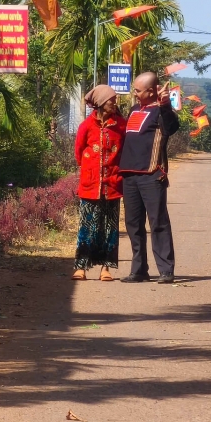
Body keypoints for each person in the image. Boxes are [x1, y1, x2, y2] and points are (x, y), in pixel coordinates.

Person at [119, 71, 179, 283]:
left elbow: (172, 127)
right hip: (129, 175)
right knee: (133, 224)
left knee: (158, 222)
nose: (135, 94)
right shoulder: (134, 109)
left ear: (152, 91)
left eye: (138, 90)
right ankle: (139, 270)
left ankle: (166, 270)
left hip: (152, 174)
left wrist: (165, 105)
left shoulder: (161, 112)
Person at [72, 84, 126, 281]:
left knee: (110, 228)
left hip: (112, 185)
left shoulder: (121, 125)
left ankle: (106, 268)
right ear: (101, 103)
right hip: (90, 185)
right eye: (111, 100)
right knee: (87, 227)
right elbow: (79, 153)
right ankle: (81, 267)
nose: (115, 103)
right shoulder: (86, 126)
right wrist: (91, 170)